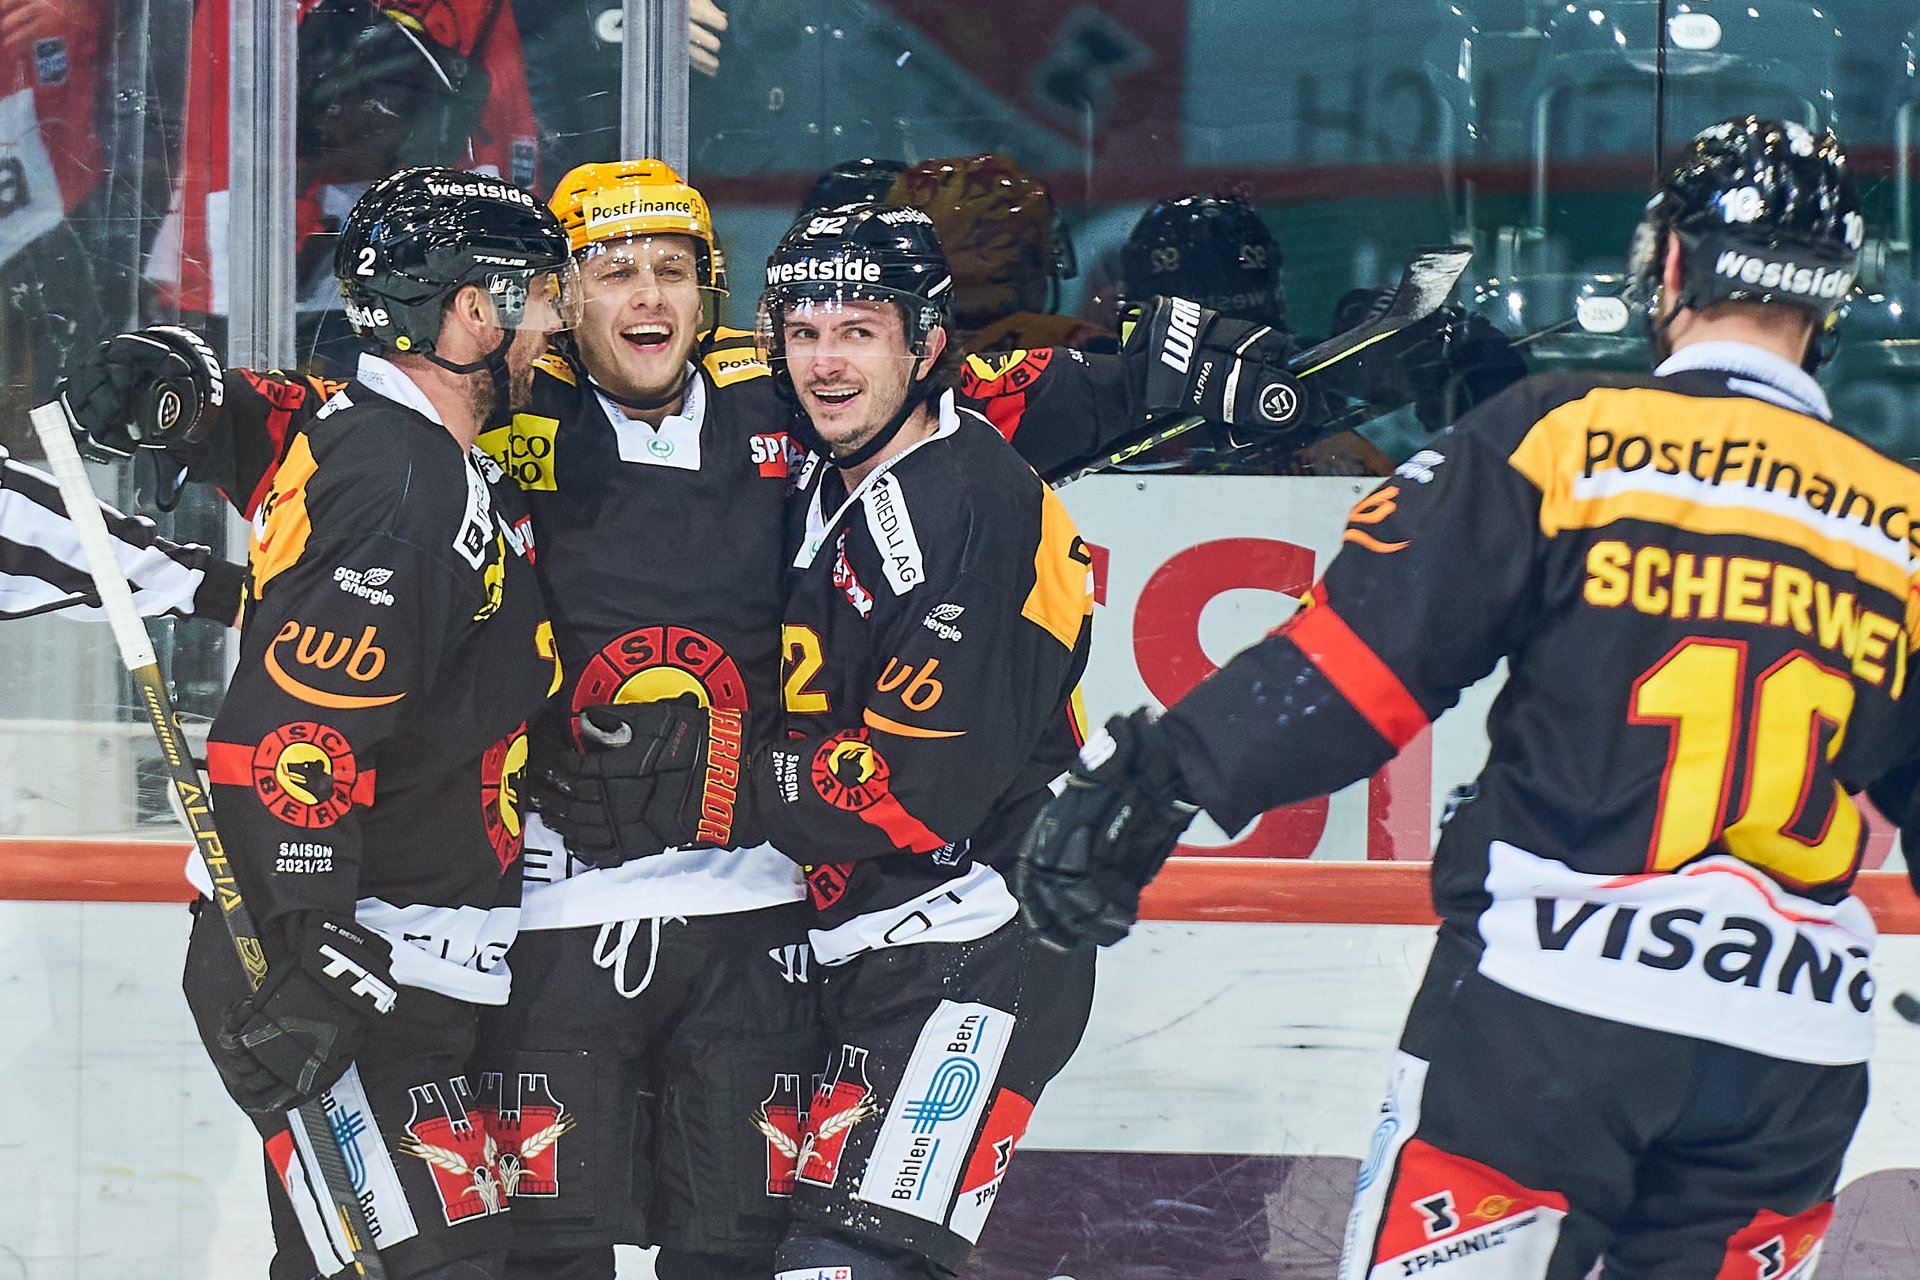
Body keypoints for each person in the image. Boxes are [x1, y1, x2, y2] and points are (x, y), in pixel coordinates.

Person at [1016, 117, 1899, 1278]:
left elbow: (1361, 665)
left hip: (1551, 1014)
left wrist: (1161, 774)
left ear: (1673, 264)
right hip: (1791, 1057)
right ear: (1831, 296)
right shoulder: (1900, 522)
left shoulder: (1572, 439)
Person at [533, 203, 1099, 1280]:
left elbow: (917, 787)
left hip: (976, 943)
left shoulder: (967, 508)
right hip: (874, 952)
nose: (826, 362)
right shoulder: (843, 479)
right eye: (804, 331)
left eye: (860, 332)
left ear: (926, 346)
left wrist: (704, 782)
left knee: (848, 1263)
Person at [176, 166, 569, 1280]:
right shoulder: (408, 484)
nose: (553, 326)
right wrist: (306, 938)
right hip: (342, 962)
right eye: (539, 298)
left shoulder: (407, 453)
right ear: (473, 311)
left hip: (402, 964)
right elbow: (298, 734)